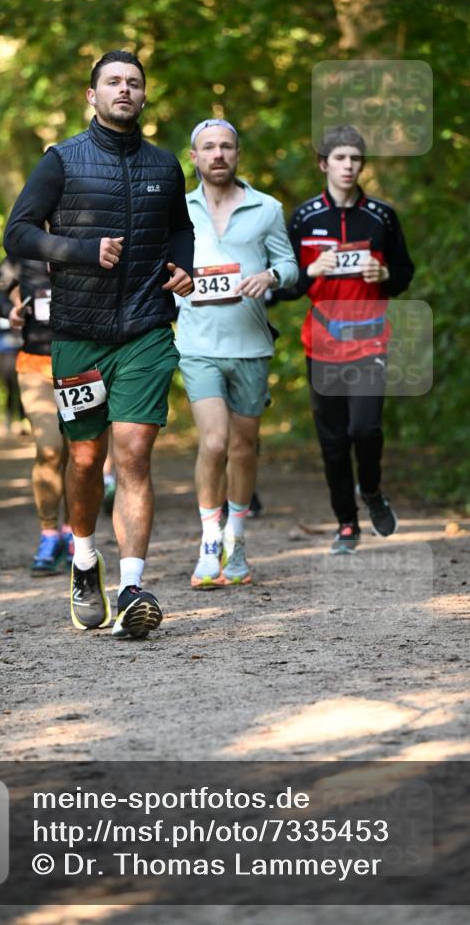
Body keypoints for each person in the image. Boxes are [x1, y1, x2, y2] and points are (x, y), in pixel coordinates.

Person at [4, 49, 194, 638]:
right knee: (84, 459)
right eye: (113, 82)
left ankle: (132, 586)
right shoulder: (61, 161)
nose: (124, 90)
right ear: (92, 95)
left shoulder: (165, 165)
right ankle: (84, 560)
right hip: (79, 337)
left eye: (134, 83)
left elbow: (179, 229)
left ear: (144, 95)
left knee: (133, 455)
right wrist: (84, 252)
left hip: (144, 330)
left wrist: (182, 268)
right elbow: (18, 232)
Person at [274, 125, 414, 554]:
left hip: (371, 341)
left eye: (355, 159)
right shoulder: (304, 218)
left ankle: (370, 489)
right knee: (333, 441)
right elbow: (287, 286)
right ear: (324, 164)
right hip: (322, 344)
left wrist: (386, 275)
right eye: (340, 158)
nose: (348, 166)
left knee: (366, 429)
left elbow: (404, 273)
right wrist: (309, 273)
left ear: (362, 165)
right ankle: (347, 523)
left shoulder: (382, 217)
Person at [176, 119, 298, 587]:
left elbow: (288, 264)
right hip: (198, 344)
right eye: (209, 147)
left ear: (237, 154)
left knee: (244, 447)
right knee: (214, 442)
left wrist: (270, 277)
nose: (218, 154)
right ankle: (209, 543)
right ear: (195, 157)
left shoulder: (266, 208)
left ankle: (237, 540)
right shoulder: (178, 209)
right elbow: (162, 266)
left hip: (251, 343)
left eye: (226, 146)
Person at [0, 255, 74, 574]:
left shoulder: (89, 240)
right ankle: (49, 532)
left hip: (83, 361)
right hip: (37, 362)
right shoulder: (24, 254)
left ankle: (75, 532)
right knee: (50, 449)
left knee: (81, 453)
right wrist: (8, 310)